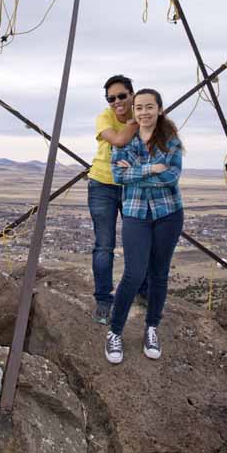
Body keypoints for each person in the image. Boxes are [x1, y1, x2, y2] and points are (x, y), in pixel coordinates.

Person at [104, 88, 183, 364]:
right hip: (136, 214)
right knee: (134, 273)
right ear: (134, 111)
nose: (144, 112)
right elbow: (118, 175)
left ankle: (152, 328)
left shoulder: (170, 140)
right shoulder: (125, 140)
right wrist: (150, 168)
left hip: (168, 214)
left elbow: (171, 177)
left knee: (159, 273)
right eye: (139, 107)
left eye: (149, 107)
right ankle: (115, 331)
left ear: (159, 109)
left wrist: (135, 172)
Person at [87, 75, 147, 324]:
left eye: (122, 96)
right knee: (104, 245)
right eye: (111, 98)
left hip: (132, 184)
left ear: (132, 94)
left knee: (139, 242)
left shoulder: (144, 112)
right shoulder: (105, 117)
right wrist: (136, 122)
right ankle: (103, 301)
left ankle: (143, 293)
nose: (117, 102)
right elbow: (118, 140)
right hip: (102, 184)